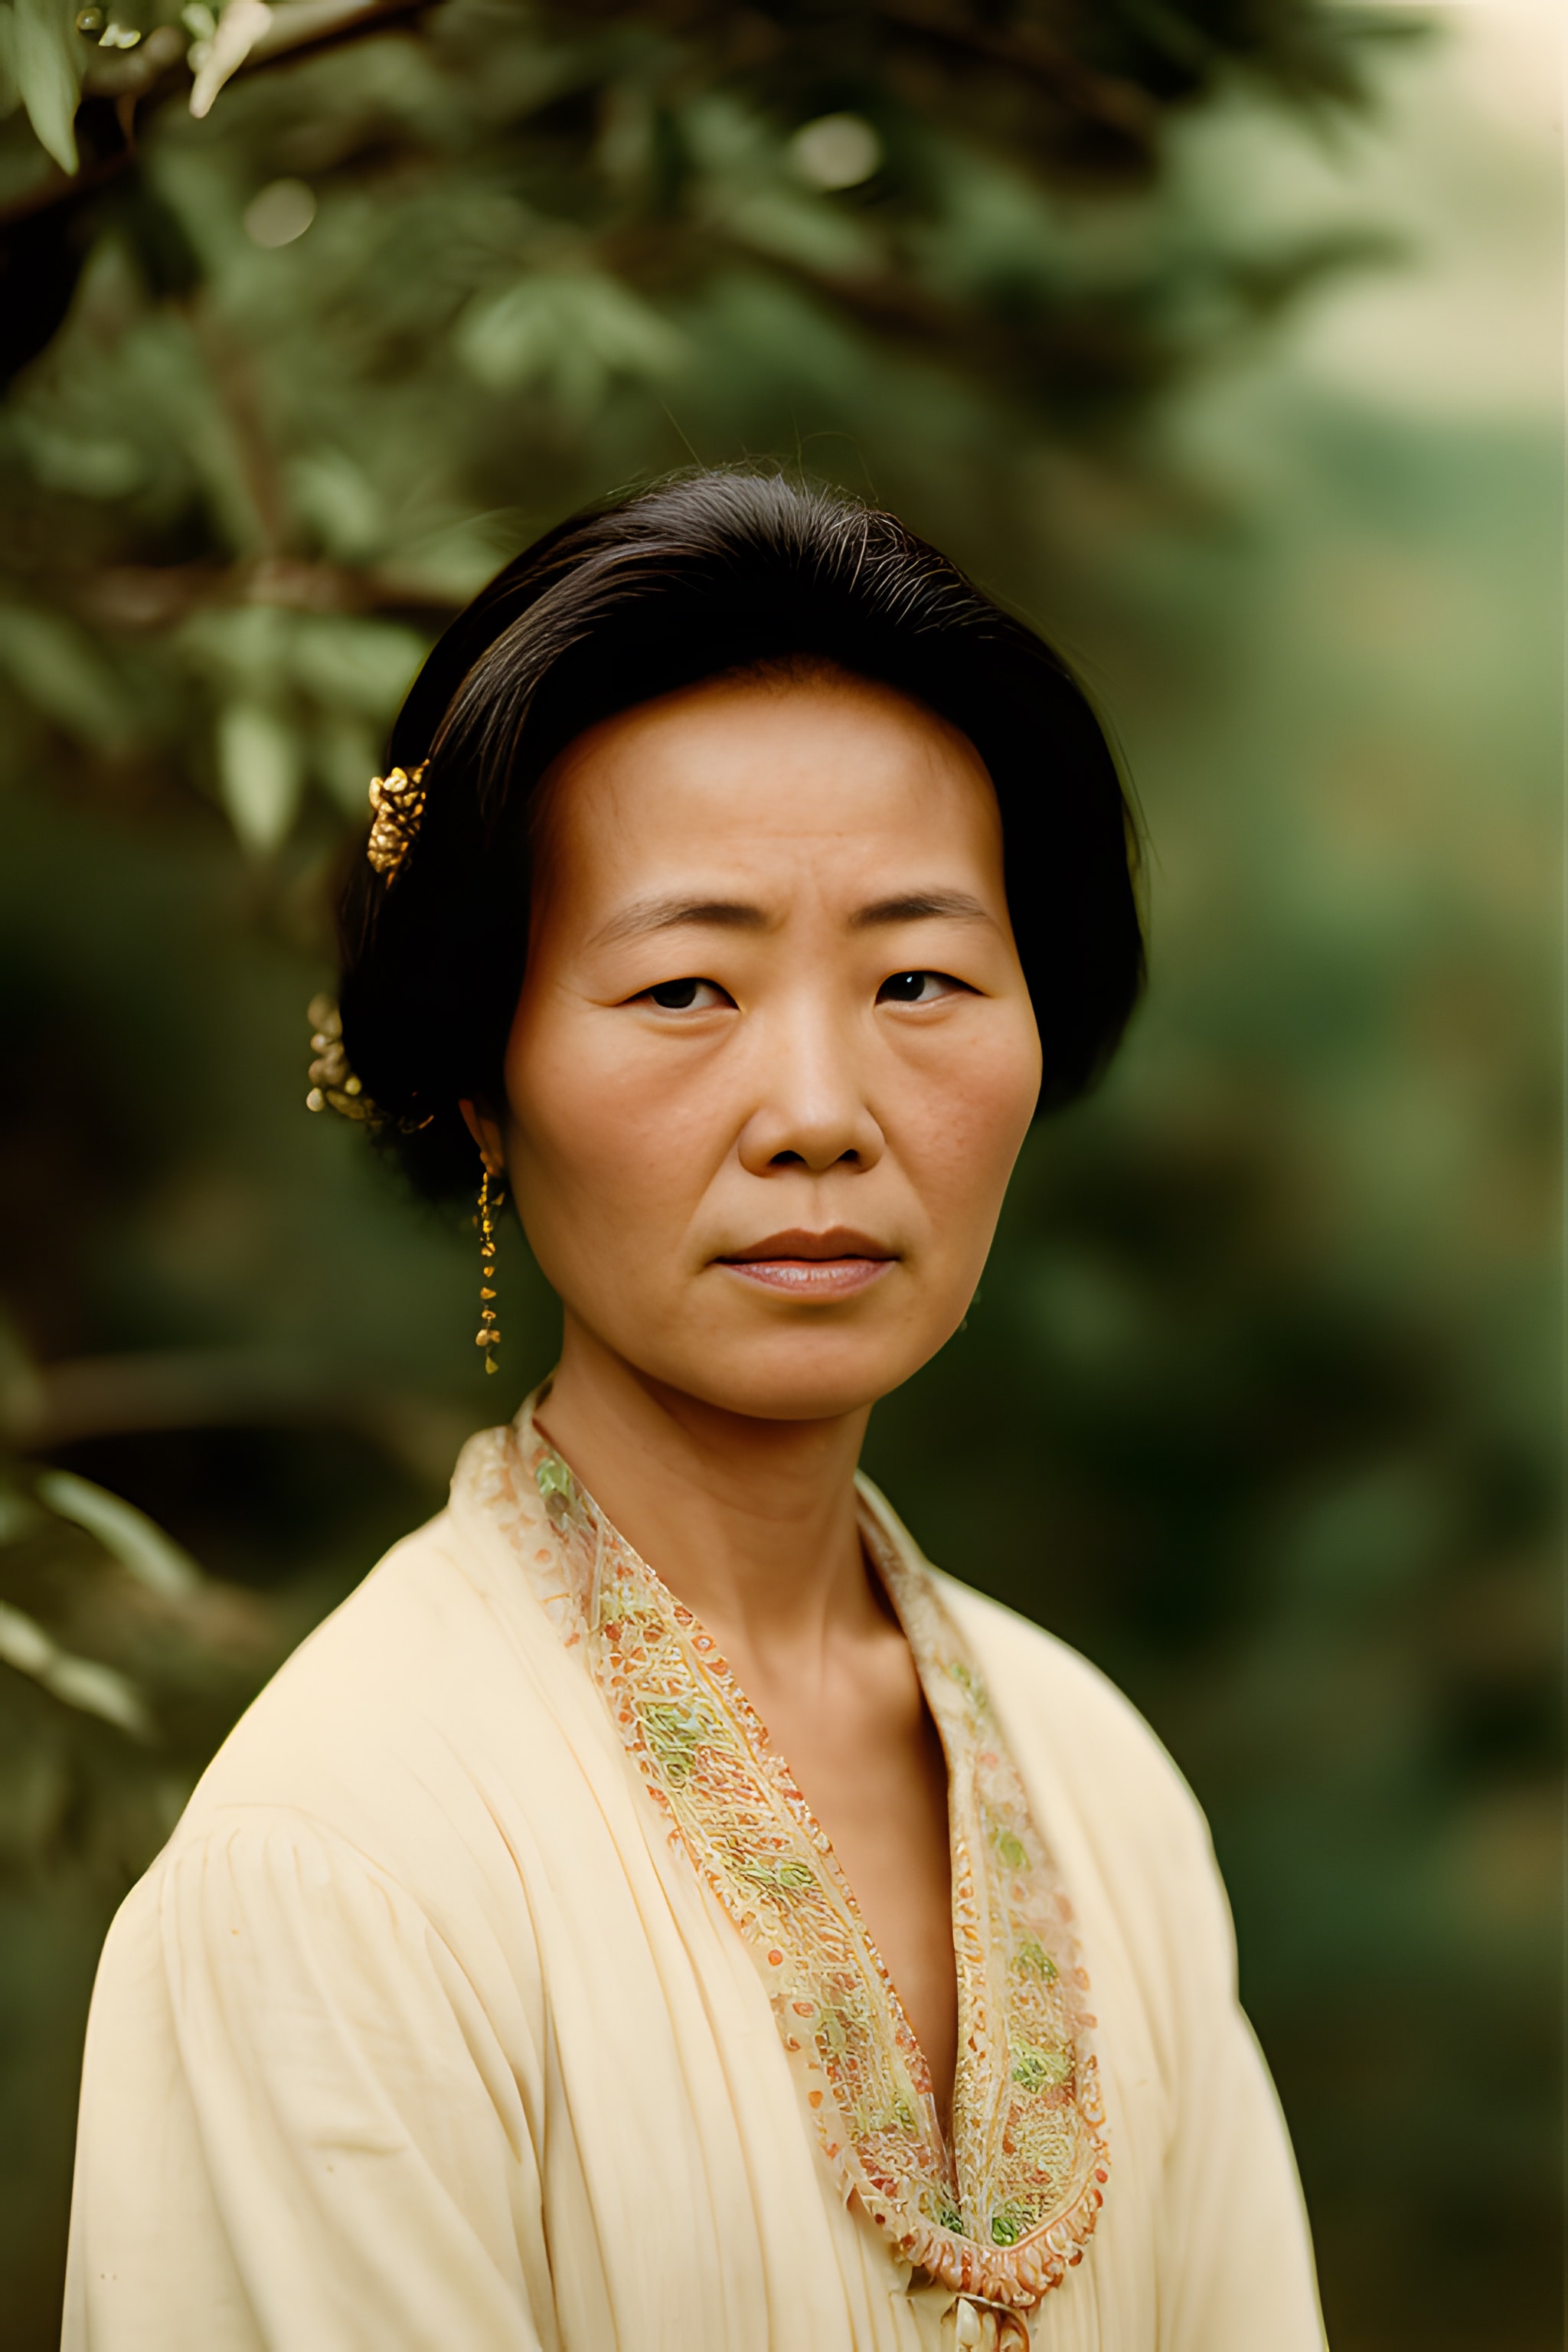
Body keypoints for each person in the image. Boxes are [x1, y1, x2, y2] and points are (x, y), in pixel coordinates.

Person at [63, 471, 1325, 2351]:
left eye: (917, 976)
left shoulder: (1099, 1781)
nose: (818, 1105)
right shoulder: (340, 1869)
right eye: (682, 987)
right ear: (484, 1086)